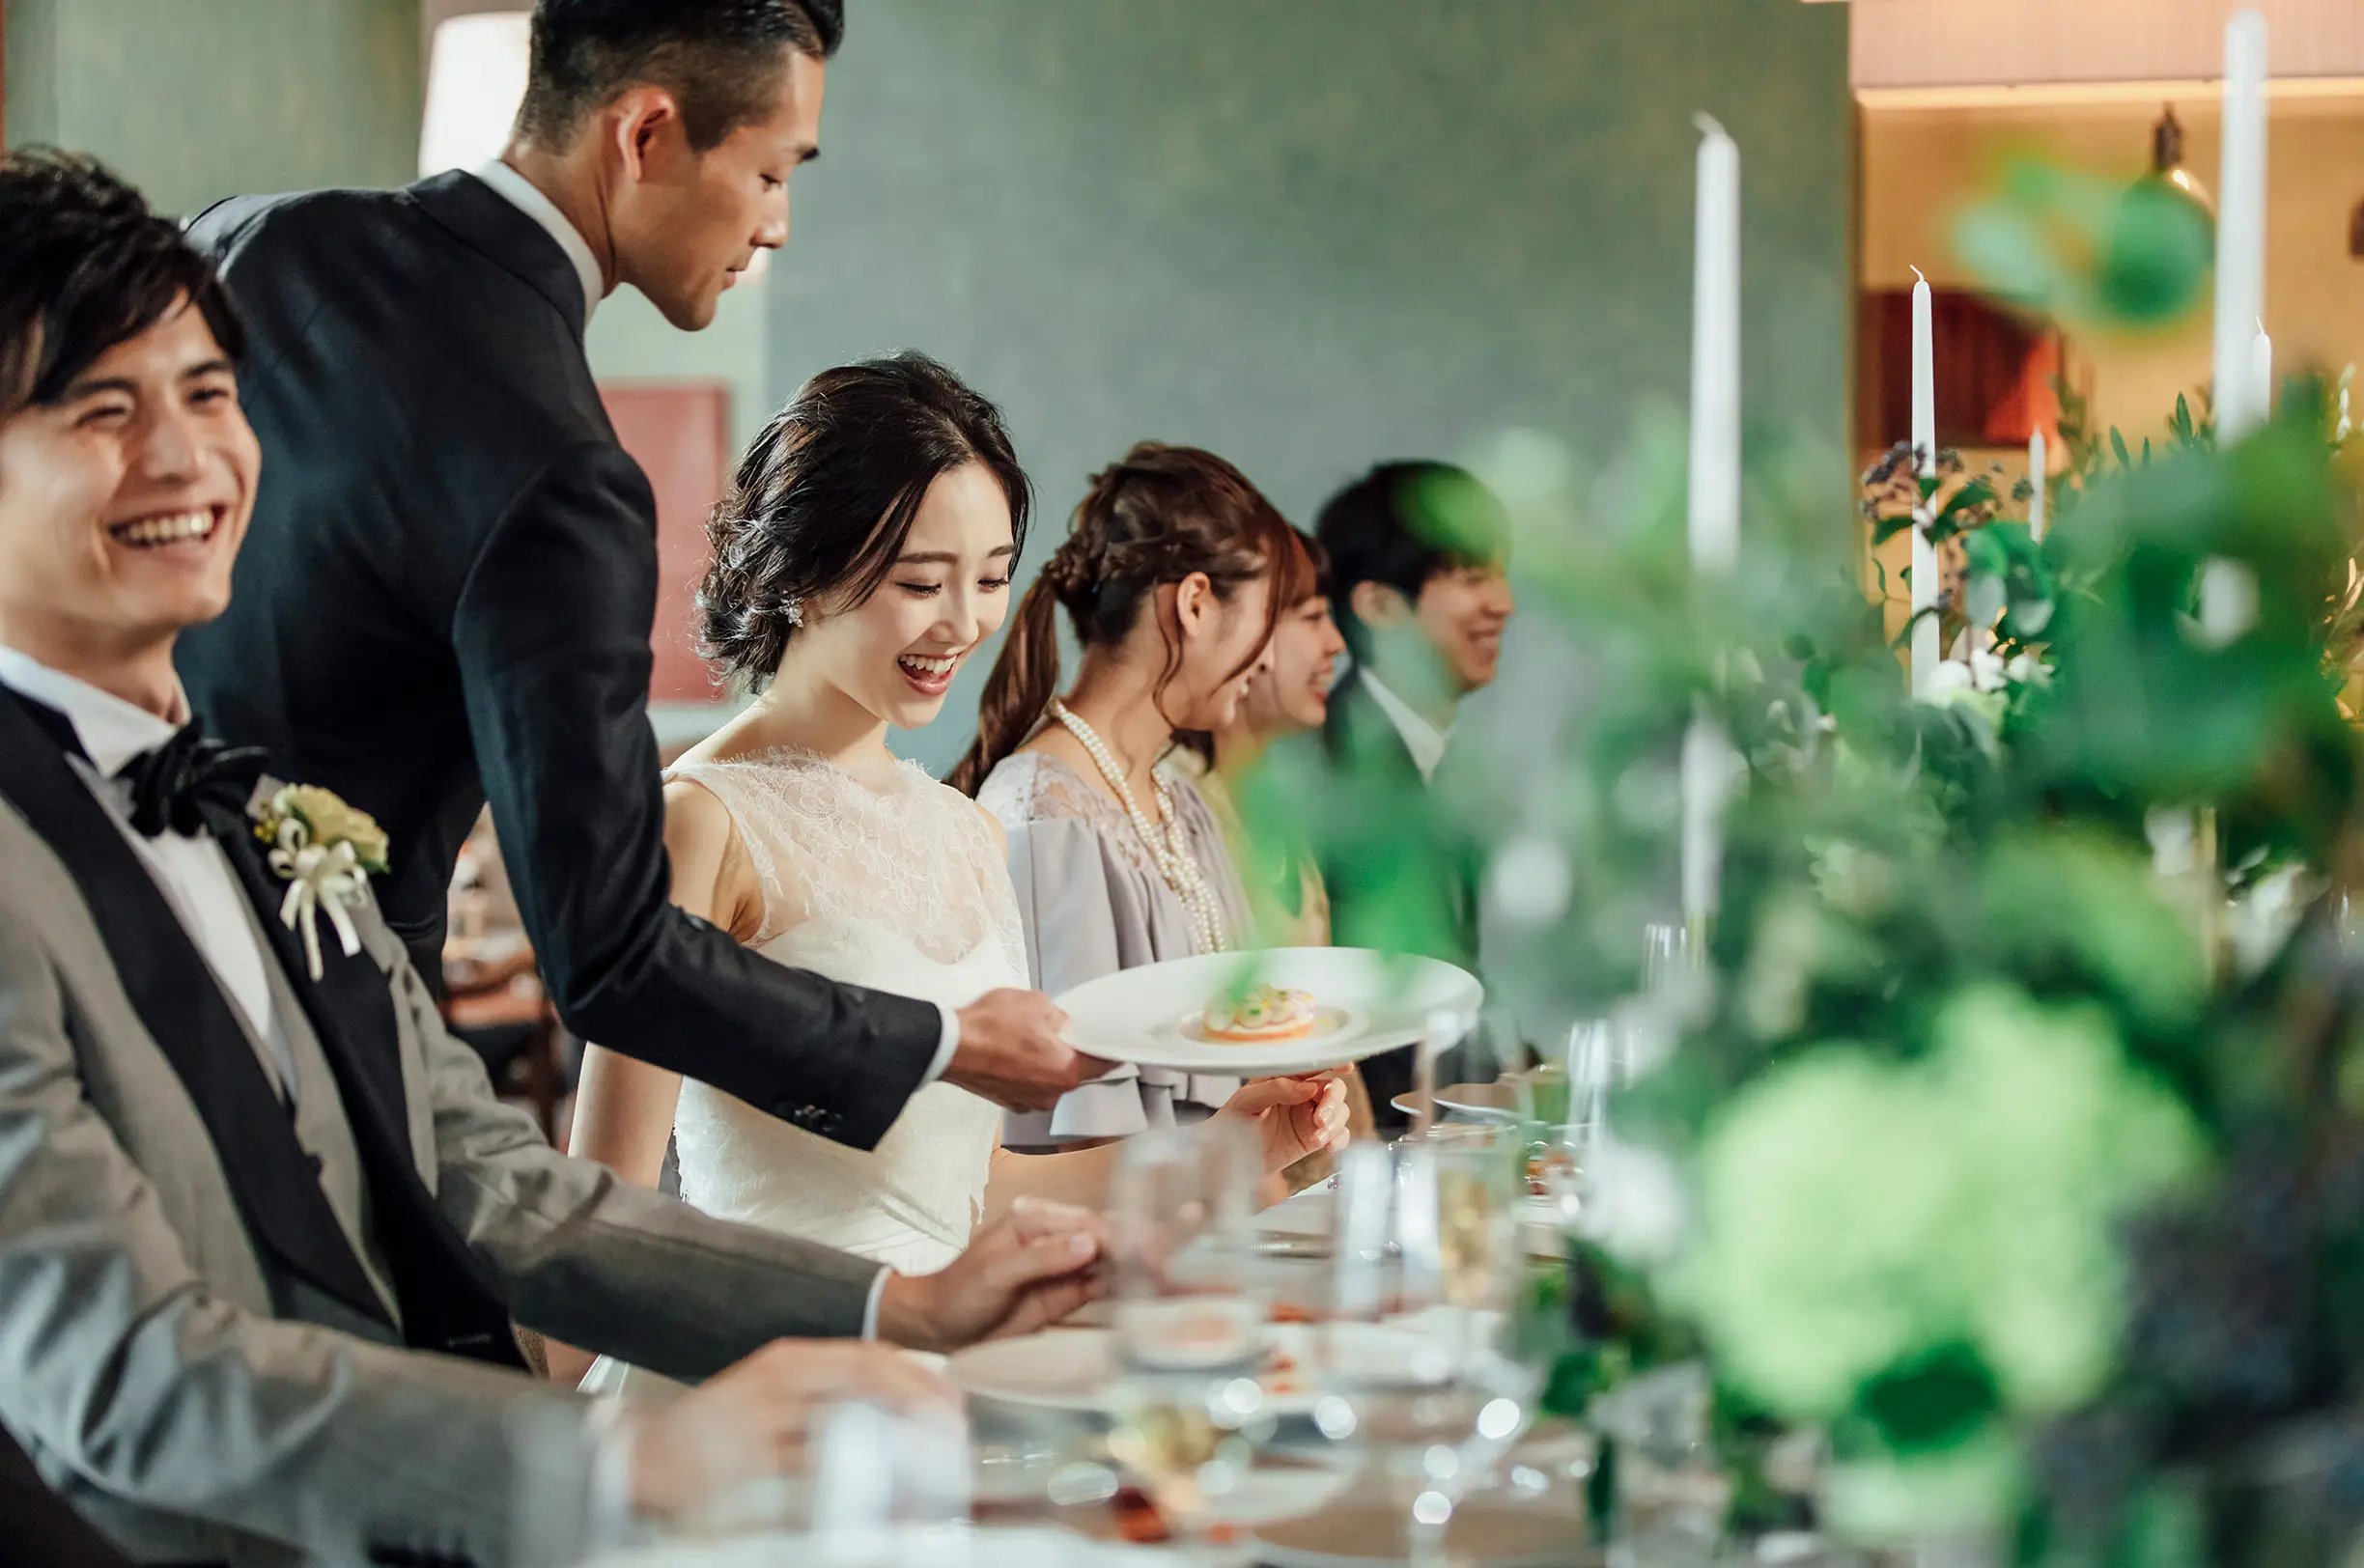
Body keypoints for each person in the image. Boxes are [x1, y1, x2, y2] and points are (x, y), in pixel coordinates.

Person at [0, 150, 1104, 1567]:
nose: (189, 457)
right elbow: (129, 1378)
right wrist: (619, 1459)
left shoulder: (256, 805)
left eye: (209, 392)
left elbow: (492, 1183)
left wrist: (896, 1310)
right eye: (105, 410)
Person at [171, 0, 1086, 1159]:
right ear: (646, 133)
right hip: (311, 1059)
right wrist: (939, 1045)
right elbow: (607, 954)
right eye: (769, 173)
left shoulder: (244, 238)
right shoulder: (561, 473)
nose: (780, 226)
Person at [564, 358, 1345, 1387]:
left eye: (988, 577)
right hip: (766, 1379)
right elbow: (596, 1222)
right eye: (922, 583)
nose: (964, 624)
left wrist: (1235, 1152)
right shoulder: (698, 821)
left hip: (949, 1372)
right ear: (804, 569)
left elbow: (975, 1190)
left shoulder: (960, 830)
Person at [952, 445, 1317, 1148]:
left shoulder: (1182, 804)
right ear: (1196, 603)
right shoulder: (1044, 813)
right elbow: (1071, 1130)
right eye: (1265, 617)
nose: (1268, 657)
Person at [1313, 461, 1514, 1128]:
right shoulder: (1333, 773)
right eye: (1469, 576)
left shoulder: (1437, 759)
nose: (1503, 603)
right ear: (1377, 606)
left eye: (1500, 572)